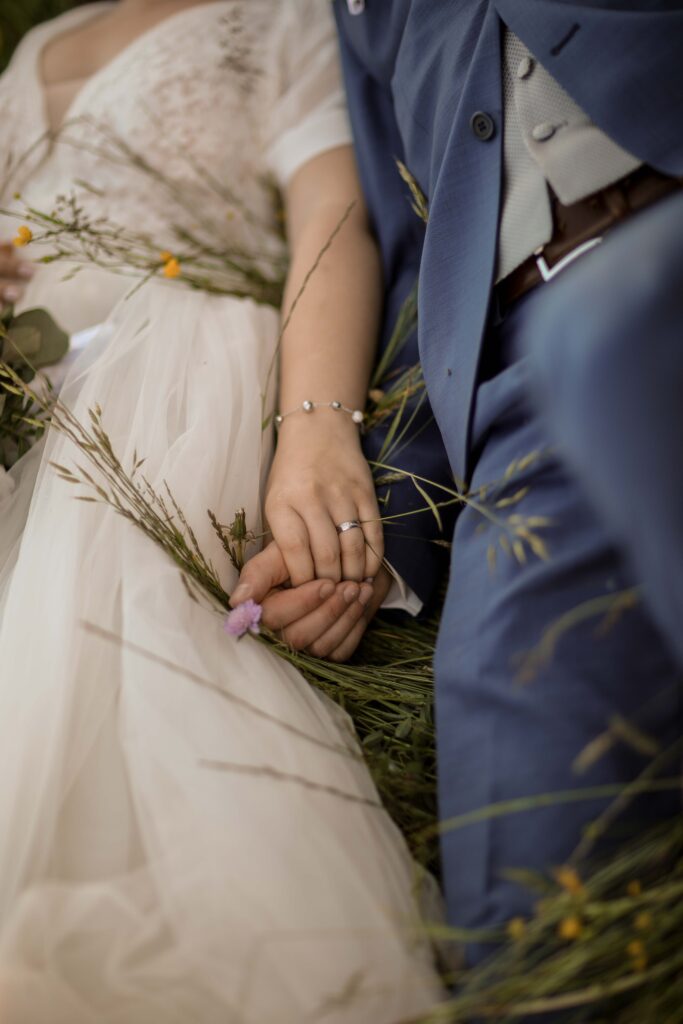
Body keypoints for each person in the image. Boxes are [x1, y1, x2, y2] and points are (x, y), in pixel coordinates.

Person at [0, 1, 445, 1019]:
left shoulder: (283, 16)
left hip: (165, 375)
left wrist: (317, 432)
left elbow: (333, 221)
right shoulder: (38, 46)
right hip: (21, 385)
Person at [238, 0, 683, 968]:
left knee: (609, 333)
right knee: (522, 867)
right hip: (520, 386)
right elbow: (416, 262)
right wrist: (373, 540)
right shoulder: (357, 14)